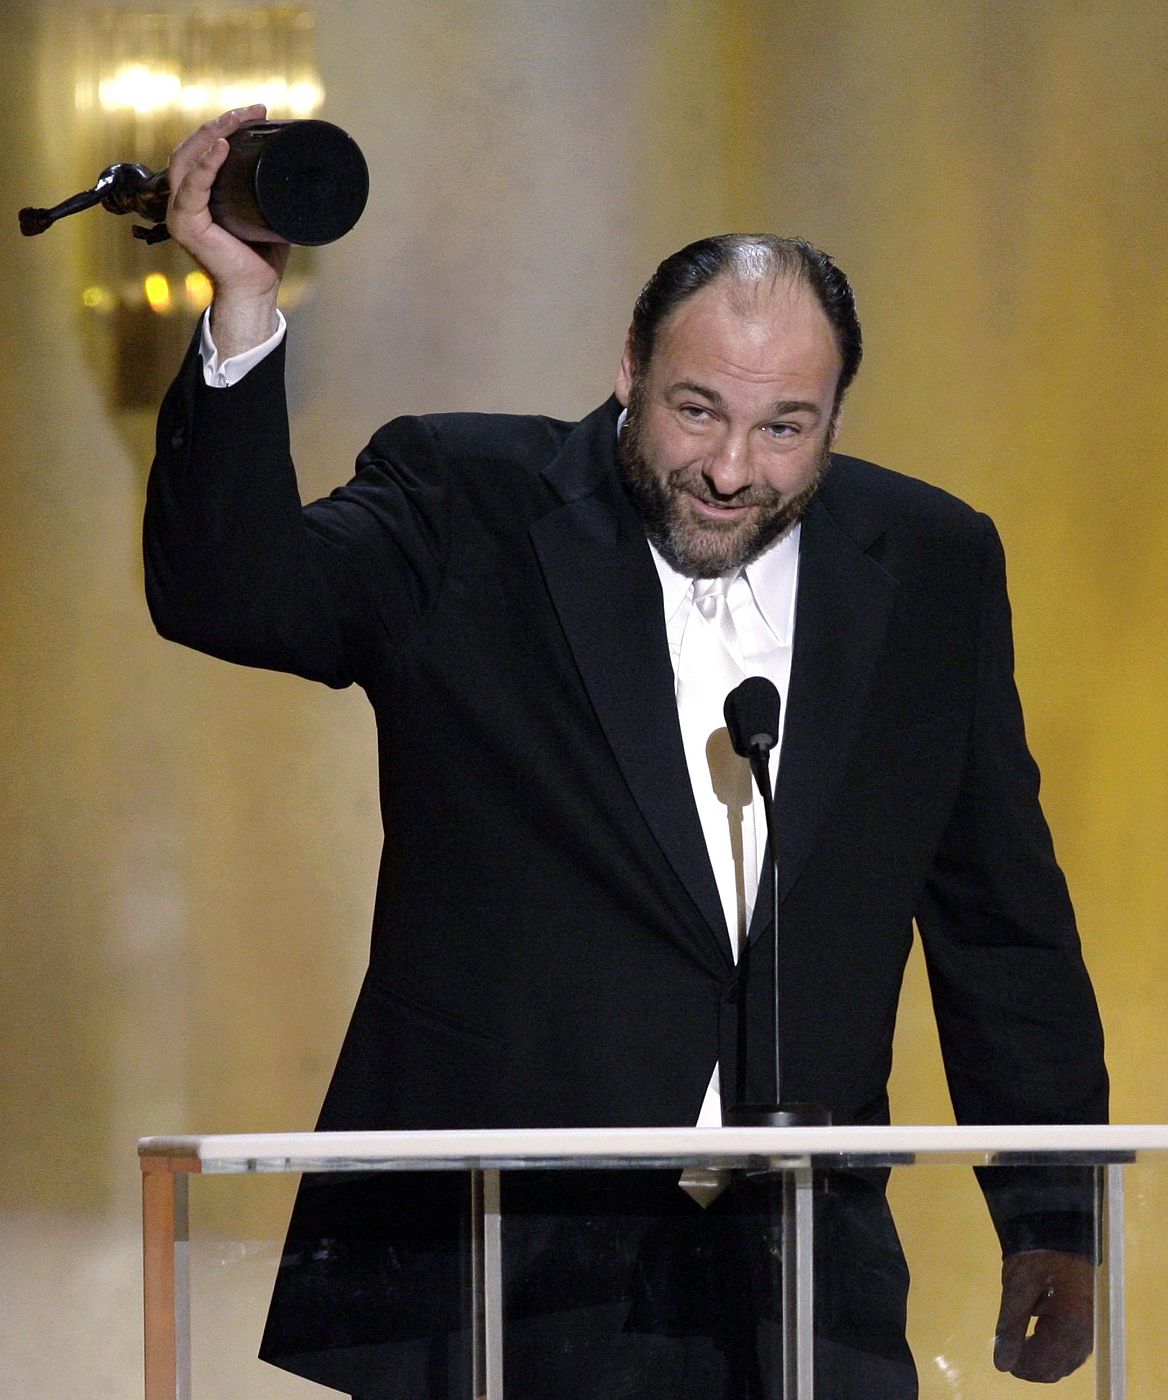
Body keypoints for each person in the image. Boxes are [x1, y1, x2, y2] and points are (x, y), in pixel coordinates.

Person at [146, 107, 1108, 1398]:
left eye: (785, 428)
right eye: (696, 410)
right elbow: (234, 594)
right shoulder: (462, 501)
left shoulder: (930, 560)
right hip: (491, 1249)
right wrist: (243, 315)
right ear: (625, 370)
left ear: (836, 416)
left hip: (800, 1269)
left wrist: (1053, 1211)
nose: (729, 468)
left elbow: (1001, 913)